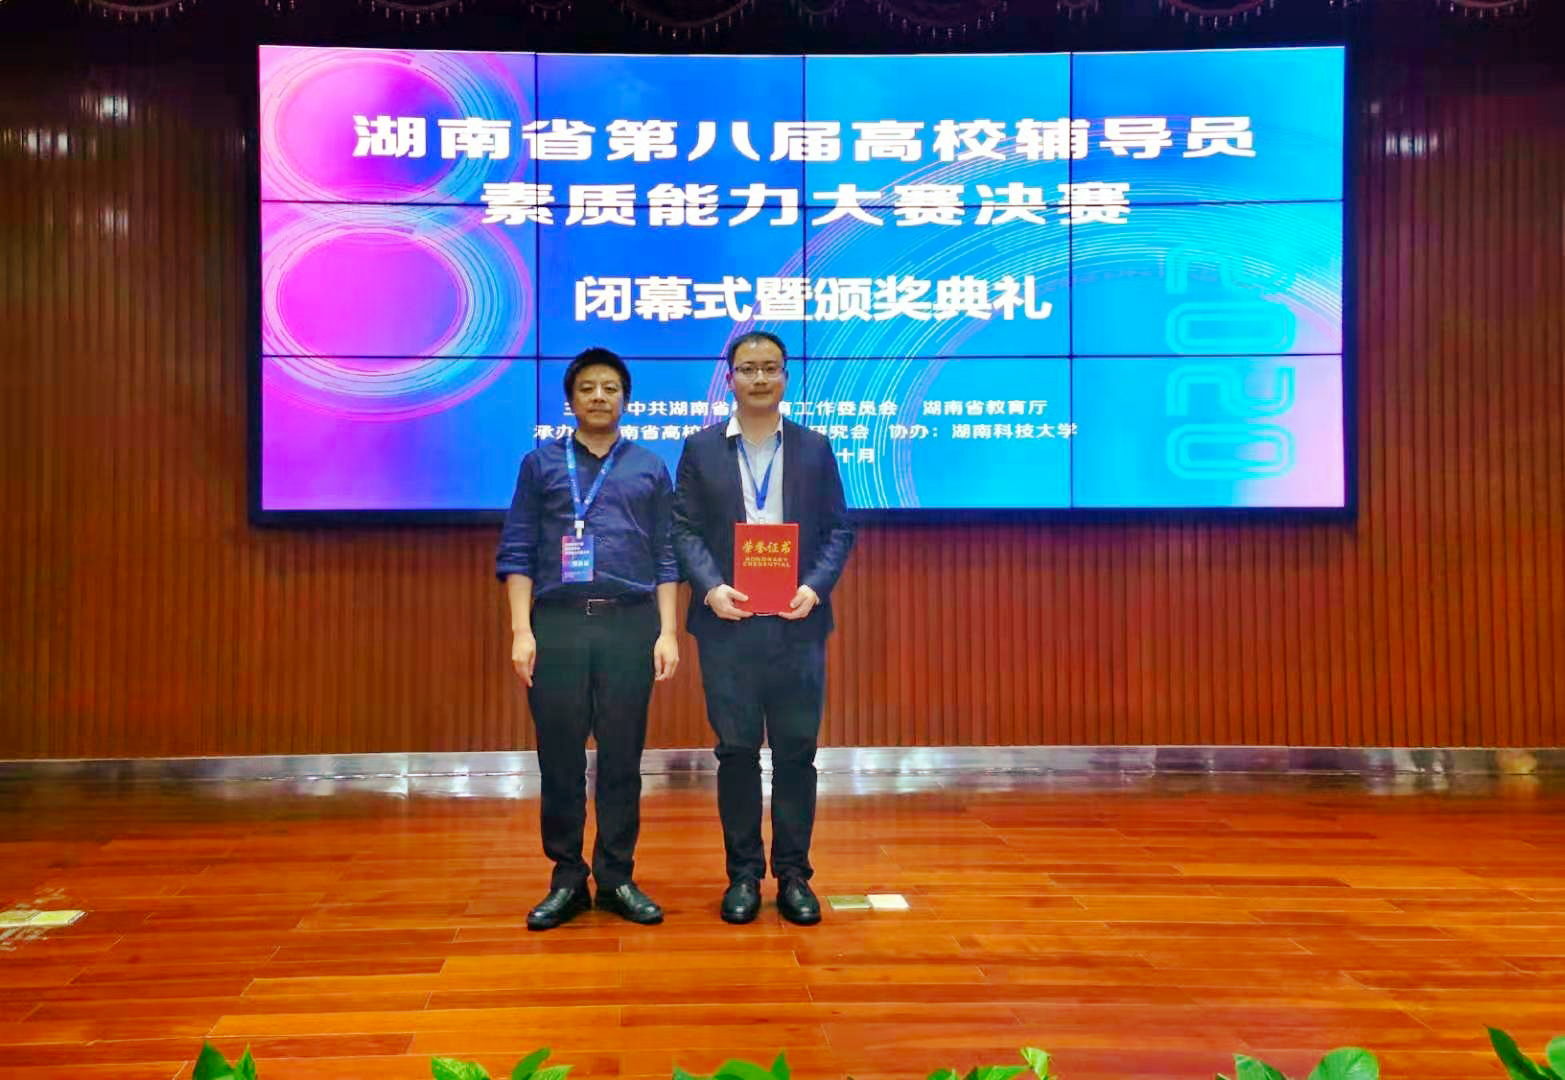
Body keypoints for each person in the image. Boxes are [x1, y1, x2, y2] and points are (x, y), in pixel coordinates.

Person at [671, 331, 856, 926]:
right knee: (736, 753)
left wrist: (815, 587)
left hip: (797, 623)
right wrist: (710, 587)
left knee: (798, 753)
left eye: (769, 368)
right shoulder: (700, 449)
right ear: (730, 378)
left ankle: (795, 876)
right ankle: (744, 875)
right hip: (728, 623)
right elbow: (683, 530)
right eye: (747, 369)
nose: (759, 379)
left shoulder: (814, 447)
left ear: (785, 377)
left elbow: (838, 531)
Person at [496, 347, 680, 931]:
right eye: (587, 388)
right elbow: (518, 551)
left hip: (630, 623)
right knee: (560, 757)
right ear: (571, 400)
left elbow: (667, 556)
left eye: (610, 388)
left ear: (626, 399)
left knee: (623, 756)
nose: (599, 396)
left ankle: (618, 875)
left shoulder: (650, 467)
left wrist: (668, 632)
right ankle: (568, 878)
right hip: (558, 624)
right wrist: (521, 631)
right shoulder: (540, 465)